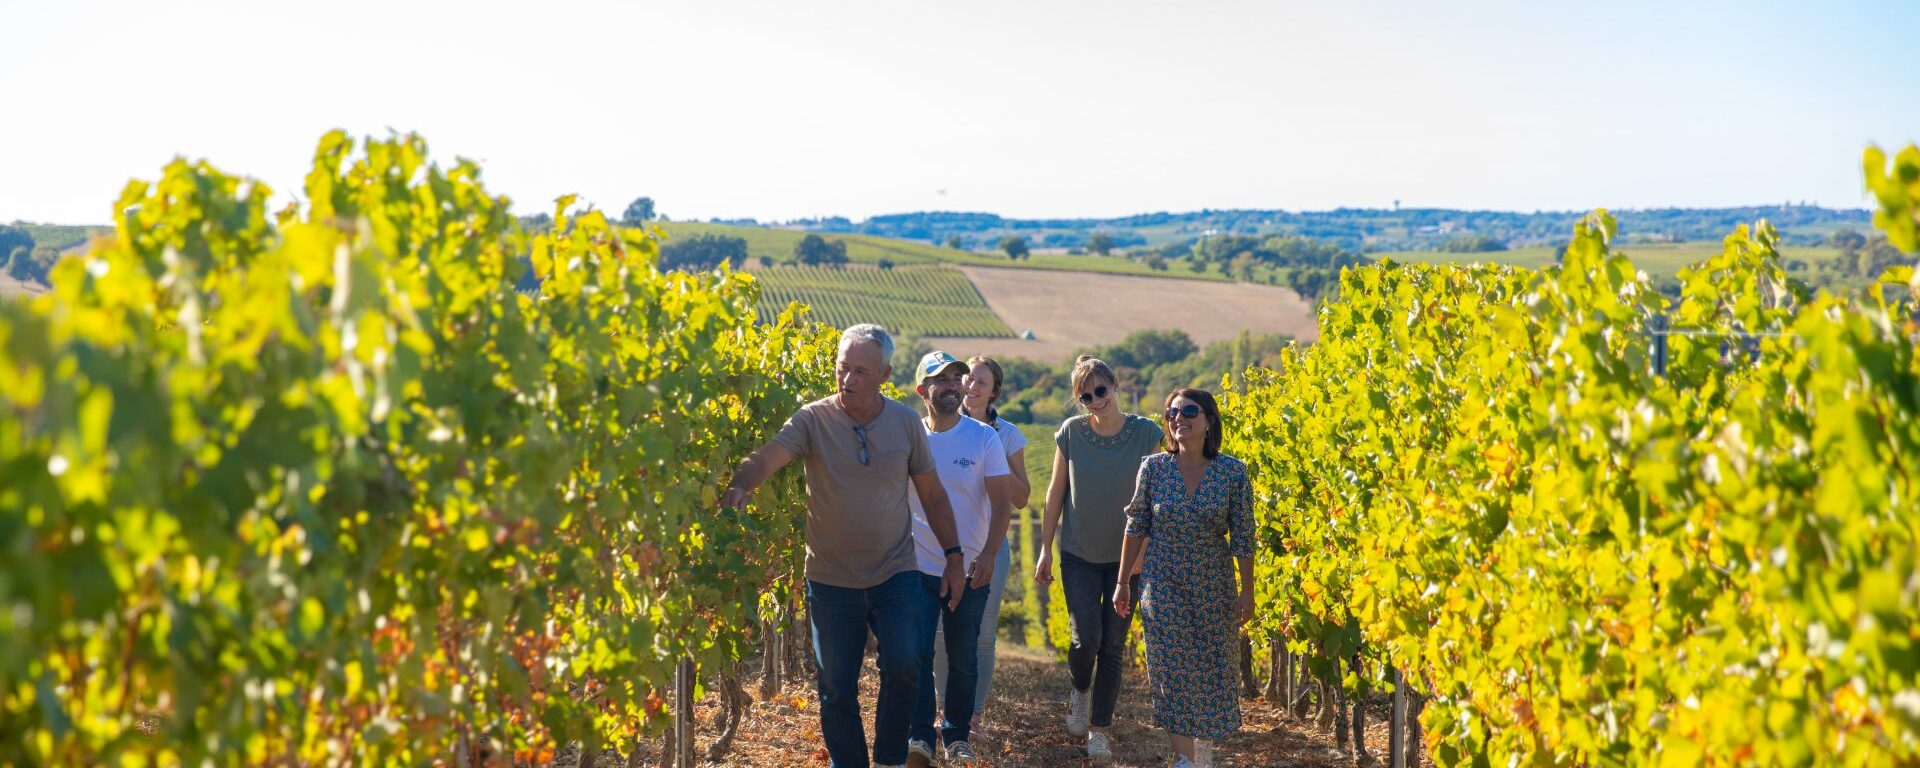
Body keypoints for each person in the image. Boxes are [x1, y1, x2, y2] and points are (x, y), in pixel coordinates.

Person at [718, 324, 968, 768]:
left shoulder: (906, 424)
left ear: (885, 374)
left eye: (860, 371)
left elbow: (932, 495)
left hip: (896, 572)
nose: (847, 379)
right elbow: (771, 454)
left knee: (906, 664)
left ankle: (890, 758)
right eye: (842, 368)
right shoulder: (813, 419)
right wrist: (742, 483)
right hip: (831, 578)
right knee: (836, 686)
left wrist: (953, 557)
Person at [1113, 388, 1256, 768]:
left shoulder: (1232, 472)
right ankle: (1184, 759)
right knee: (1170, 669)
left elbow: (1243, 536)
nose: (1179, 418)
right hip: (1163, 583)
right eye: (1172, 412)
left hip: (1214, 584)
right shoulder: (1154, 468)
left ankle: (1203, 751)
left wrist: (1248, 592)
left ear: (1209, 420)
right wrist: (1123, 580)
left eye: (1189, 411)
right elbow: (1137, 524)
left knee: (1212, 667)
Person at [1033, 355, 1164, 762]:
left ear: (1115, 386)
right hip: (1079, 555)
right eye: (1086, 396)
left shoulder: (1147, 435)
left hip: (1128, 561)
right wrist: (1044, 551)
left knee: (1112, 646)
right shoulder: (1071, 434)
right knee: (1085, 637)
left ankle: (1100, 730)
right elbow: (1055, 494)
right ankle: (1080, 690)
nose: (1096, 400)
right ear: (1080, 401)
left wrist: (1142, 555)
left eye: (1100, 390)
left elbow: (1156, 500)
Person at [903, 351, 1014, 767]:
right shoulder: (910, 438)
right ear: (922, 391)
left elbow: (1002, 505)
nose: (953, 385)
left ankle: (956, 735)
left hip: (970, 568)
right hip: (917, 565)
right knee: (917, 653)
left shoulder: (984, 438)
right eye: (941, 380)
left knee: (964, 655)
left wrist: (987, 555)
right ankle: (919, 738)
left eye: (956, 378)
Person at [932, 355, 1031, 743]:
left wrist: (993, 455)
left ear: (993, 392)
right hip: (940, 544)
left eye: (981, 382)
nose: (971, 386)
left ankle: (972, 716)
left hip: (989, 545)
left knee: (982, 634)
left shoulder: (1006, 435)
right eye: (968, 378)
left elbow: (1022, 498)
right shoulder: (940, 426)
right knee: (941, 631)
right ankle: (944, 712)